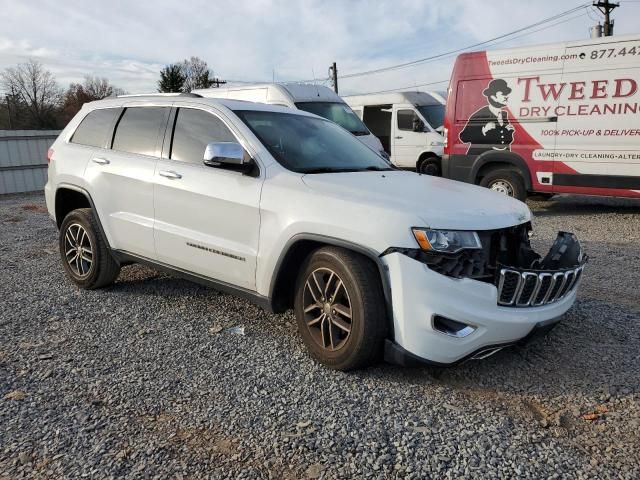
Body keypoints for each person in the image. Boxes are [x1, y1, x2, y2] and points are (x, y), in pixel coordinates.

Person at [459, 78, 515, 155]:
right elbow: (463, 137)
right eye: (503, 94)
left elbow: (503, 138)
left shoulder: (504, 115)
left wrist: (509, 132)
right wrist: (483, 130)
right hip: (482, 155)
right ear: (493, 97)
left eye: (506, 94)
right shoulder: (480, 115)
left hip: (502, 155)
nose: (506, 97)